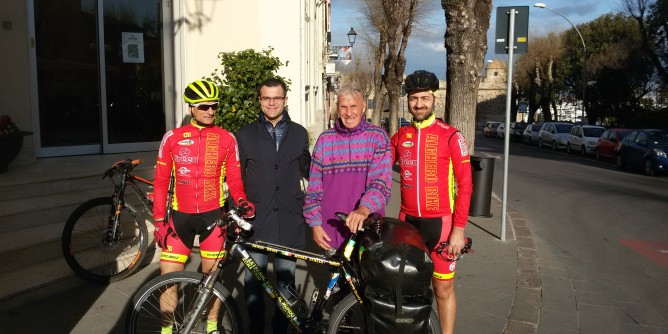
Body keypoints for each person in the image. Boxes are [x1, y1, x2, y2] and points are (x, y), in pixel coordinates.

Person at [152, 79, 255, 334]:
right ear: (191, 108)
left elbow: (234, 179)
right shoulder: (172, 138)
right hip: (180, 218)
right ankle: (167, 330)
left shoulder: (226, 138)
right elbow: (161, 182)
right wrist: (158, 221)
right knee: (168, 280)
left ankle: (211, 327)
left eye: (215, 106)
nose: (211, 111)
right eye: (205, 106)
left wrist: (241, 201)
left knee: (213, 281)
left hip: (214, 218)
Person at [390, 70, 473, 334]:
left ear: (434, 100)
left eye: (424, 98)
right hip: (408, 223)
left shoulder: (451, 136)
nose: (419, 104)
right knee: (408, 286)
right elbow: (377, 164)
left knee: (442, 287)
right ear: (408, 101)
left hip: (441, 225)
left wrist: (458, 230)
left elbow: (466, 185)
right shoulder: (401, 136)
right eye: (414, 99)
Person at [235, 78, 311, 334]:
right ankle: (255, 328)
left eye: (276, 98)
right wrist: (237, 210)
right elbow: (237, 178)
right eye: (266, 98)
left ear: (285, 99)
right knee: (253, 282)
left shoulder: (300, 133)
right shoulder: (244, 135)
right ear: (259, 100)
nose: (271, 103)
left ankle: (281, 328)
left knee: (286, 281)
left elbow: (308, 169)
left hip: (289, 219)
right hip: (256, 221)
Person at [304, 81, 393, 251]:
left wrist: (364, 208)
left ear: (364, 107)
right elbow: (314, 187)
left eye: (354, 106)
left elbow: (381, 182)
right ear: (337, 108)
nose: (349, 112)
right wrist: (315, 223)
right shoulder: (325, 139)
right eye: (344, 107)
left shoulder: (377, 137)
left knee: (366, 276)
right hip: (331, 229)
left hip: (368, 226)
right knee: (335, 277)